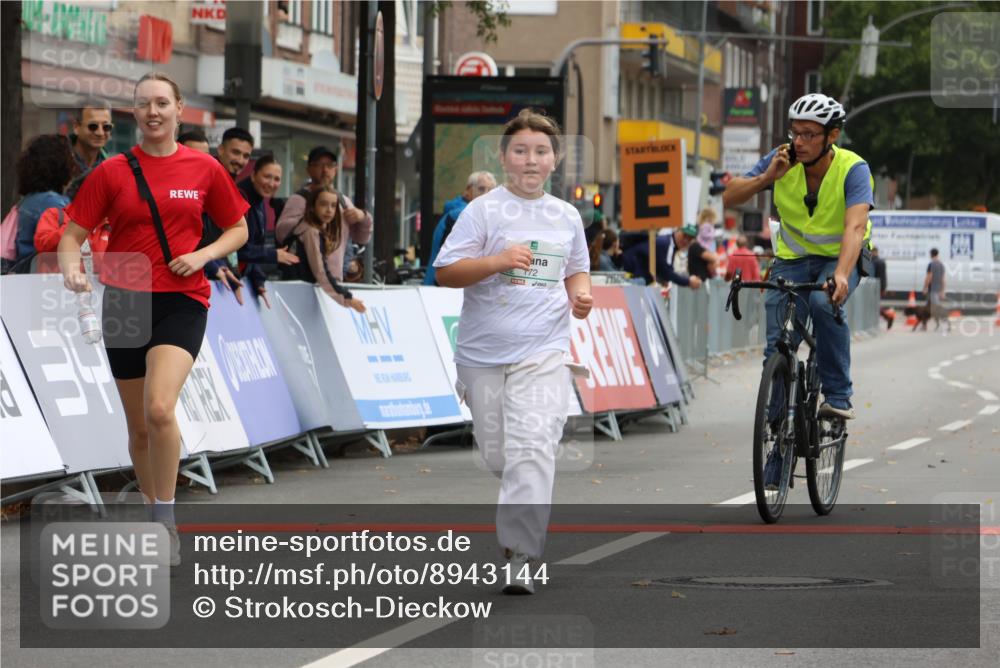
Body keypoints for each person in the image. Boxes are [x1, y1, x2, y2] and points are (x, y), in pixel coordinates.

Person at [58, 72, 250, 566]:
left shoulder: (204, 167)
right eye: (144, 104)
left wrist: (203, 254)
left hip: (182, 299)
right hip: (125, 300)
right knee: (139, 427)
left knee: (160, 408)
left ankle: (166, 519)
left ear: (179, 108)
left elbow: (238, 228)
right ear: (135, 112)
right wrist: (72, 271)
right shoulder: (112, 172)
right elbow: (71, 236)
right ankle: (151, 510)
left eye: (162, 102)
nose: (153, 111)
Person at [434, 109, 592, 595]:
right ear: (504, 157)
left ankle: (520, 555)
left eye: (541, 151)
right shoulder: (483, 211)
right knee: (500, 455)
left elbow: (576, 269)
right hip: (482, 353)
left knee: (533, 447)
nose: (531, 160)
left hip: (543, 349)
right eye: (520, 150)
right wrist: (498, 261)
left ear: (554, 160)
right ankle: (521, 507)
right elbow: (446, 272)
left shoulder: (567, 216)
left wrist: (581, 296)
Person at [723, 92, 874, 422]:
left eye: (809, 134)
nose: (799, 142)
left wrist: (842, 274)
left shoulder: (853, 168)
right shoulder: (781, 159)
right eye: (795, 133)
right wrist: (767, 178)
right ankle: (777, 433)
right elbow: (729, 197)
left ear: (832, 135)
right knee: (778, 343)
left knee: (823, 304)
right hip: (792, 260)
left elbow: (855, 226)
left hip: (839, 259)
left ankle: (838, 396)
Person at [275, 146, 371, 281]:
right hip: (305, 280)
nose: (325, 170)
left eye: (330, 165)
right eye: (319, 165)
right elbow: (281, 233)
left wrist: (363, 217)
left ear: (336, 169)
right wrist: (310, 220)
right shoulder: (299, 199)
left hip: (335, 278)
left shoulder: (343, 201)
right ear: (309, 169)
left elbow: (362, 238)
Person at [282, 185, 366, 312]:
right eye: (323, 204)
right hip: (298, 298)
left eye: (333, 206)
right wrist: (347, 298)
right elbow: (321, 272)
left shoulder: (309, 229)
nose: (329, 210)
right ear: (312, 206)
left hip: (295, 294)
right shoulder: (311, 232)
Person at [236, 154, 299, 306]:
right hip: (224, 281)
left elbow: (252, 249)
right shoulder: (240, 198)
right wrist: (273, 254)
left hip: (240, 281)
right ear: (253, 175)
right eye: (267, 177)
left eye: (276, 179)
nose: (271, 183)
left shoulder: (258, 200)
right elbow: (236, 250)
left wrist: (258, 280)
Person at [423, 171, 497, 285]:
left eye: (491, 191)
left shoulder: (462, 213)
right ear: (468, 190)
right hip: (443, 287)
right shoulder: (465, 214)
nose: (487, 194)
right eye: (481, 189)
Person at [14, 134, 77, 263]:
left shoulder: (29, 200)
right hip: (45, 272)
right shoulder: (53, 202)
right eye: (70, 159)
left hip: (25, 271)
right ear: (60, 164)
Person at [620, 225, 703, 289]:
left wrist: (663, 280)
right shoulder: (667, 244)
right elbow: (667, 272)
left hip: (632, 275)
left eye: (689, 239)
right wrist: (688, 281)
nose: (685, 240)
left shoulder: (669, 243)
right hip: (627, 273)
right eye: (684, 235)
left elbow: (662, 270)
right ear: (677, 230)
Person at [71, 99, 113, 172]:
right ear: (76, 127)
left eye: (106, 127)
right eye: (93, 126)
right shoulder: (57, 162)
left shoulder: (111, 168)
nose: (100, 133)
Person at [687, 209, 719, 281]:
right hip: (700, 279)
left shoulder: (695, 246)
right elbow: (714, 258)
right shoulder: (696, 247)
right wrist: (713, 234)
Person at [871, 246, 894, 329]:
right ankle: (887, 316)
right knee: (874, 304)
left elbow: (871, 275)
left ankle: (887, 316)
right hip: (880, 286)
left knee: (873, 305)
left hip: (873, 287)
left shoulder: (873, 262)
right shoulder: (882, 261)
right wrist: (884, 287)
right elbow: (884, 276)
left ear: (873, 252)